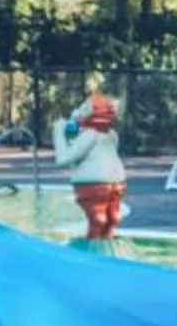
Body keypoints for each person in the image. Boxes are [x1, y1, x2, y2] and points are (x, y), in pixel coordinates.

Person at [53, 93, 127, 241]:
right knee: (111, 219)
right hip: (118, 183)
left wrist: (58, 132)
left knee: (97, 220)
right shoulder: (112, 135)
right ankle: (108, 245)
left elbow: (63, 159)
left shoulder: (90, 136)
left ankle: (92, 248)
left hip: (94, 185)